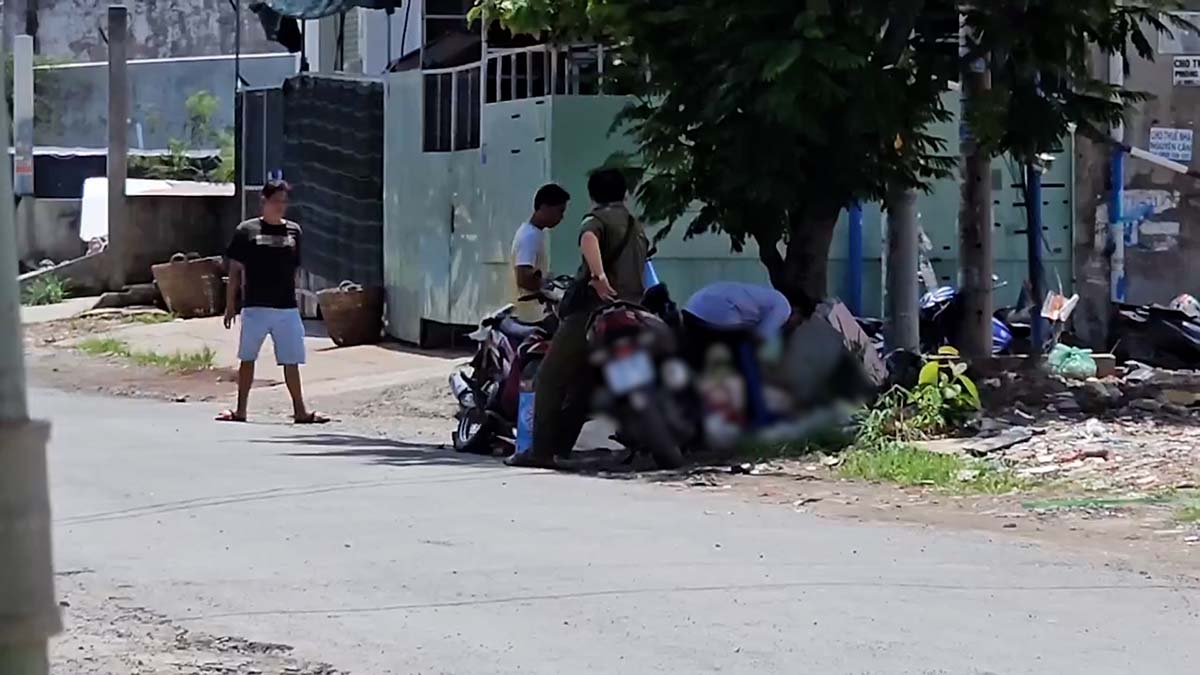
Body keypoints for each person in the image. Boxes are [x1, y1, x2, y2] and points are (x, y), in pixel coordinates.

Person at [508, 169, 648, 468]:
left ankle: (541, 452)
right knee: (585, 383)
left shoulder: (596, 220)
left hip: (592, 311)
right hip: (632, 309)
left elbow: (588, 237)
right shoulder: (635, 225)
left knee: (550, 378)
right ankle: (562, 446)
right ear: (624, 194)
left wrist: (598, 275)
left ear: (593, 195)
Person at [216, 180, 327, 424]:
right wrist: (230, 304)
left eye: (284, 201)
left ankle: (300, 411)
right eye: (276, 201)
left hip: (286, 307)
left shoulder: (294, 231)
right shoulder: (247, 230)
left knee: (291, 360)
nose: (280, 206)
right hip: (255, 306)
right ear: (264, 201)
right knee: (248, 358)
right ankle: (241, 410)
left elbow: (294, 268)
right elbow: (235, 270)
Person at [682, 282, 794, 429]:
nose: (795, 326)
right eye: (799, 321)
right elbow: (758, 338)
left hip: (692, 309)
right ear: (797, 311)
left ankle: (693, 415)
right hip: (718, 311)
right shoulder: (784, 307)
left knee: (698, 366)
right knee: (747, 361)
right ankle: (759, 416)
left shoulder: (763, 298)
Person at [510, 184, 570, 324]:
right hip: (530, 316)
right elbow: (523, 278)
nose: (561, 217)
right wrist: (549, 289)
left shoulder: (535, 233)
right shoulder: (529, 236)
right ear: (544, 207)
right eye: (560, 211)